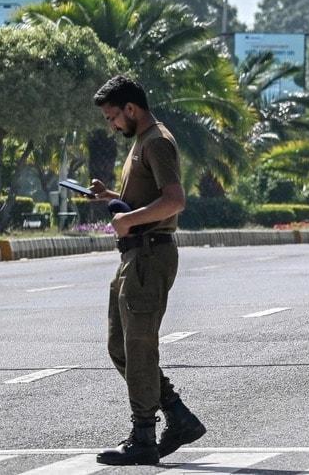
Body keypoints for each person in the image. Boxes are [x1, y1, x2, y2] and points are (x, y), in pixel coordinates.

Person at [90, 75, 205, 466]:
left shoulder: (156, 141)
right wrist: (112, 199)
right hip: (134, 256)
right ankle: (176, 414)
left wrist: (130, 219)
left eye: (113, 117)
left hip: (149, 256)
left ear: (131, 109)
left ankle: (144, 436)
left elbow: (175, 201)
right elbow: (147, 198)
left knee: (138, 348)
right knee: (121, 346)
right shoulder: (142, 140)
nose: (112, 125)